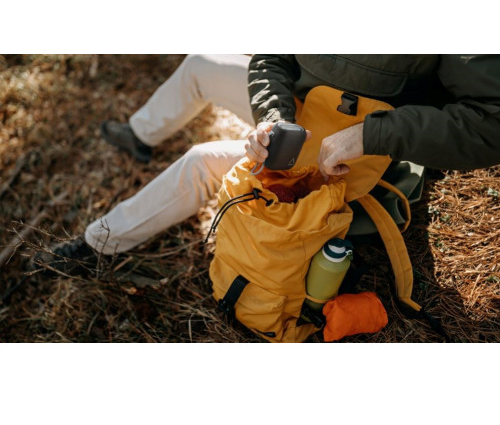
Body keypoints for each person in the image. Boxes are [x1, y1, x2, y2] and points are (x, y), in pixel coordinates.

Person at [31, 54, 500, 275]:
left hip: (358, 149)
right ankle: (140, 135)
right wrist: (274, 116)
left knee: (201, 162)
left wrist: (373, 135)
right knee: (201, 65)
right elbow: (272, 57)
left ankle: (98, 246)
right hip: (303, 109)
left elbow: (490, 123)